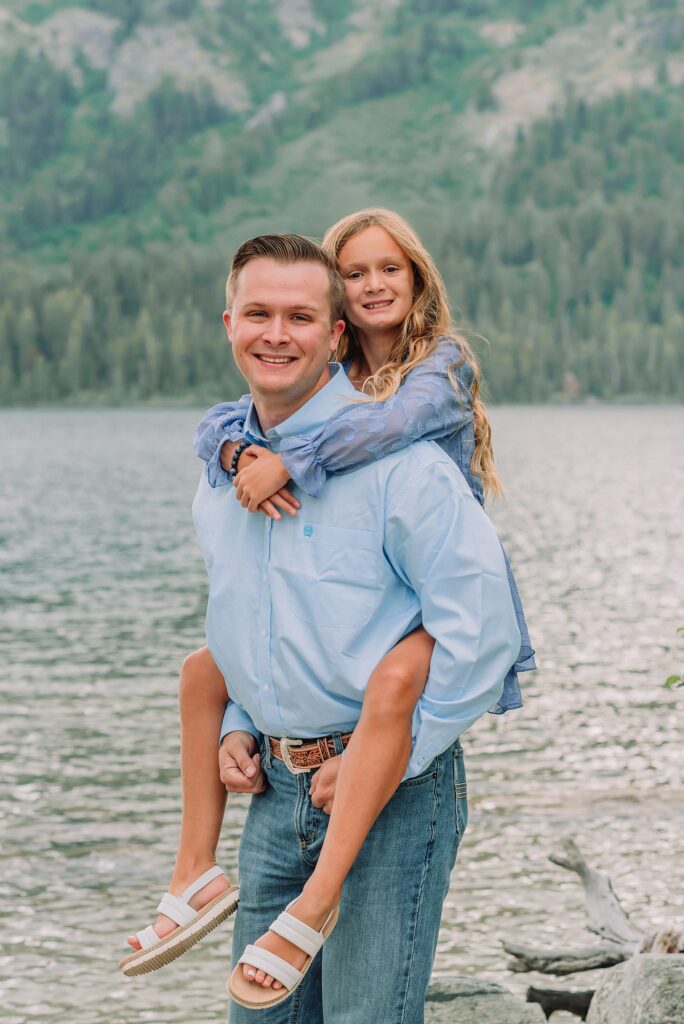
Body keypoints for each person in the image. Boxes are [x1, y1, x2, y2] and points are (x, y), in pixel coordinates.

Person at [120, 211, 534, 1002]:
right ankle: (193, 873)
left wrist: (394, 759)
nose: (277, 335)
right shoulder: (224, 473)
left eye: (300, 318)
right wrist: (241, 721)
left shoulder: (402, 461)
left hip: (395, 791)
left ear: (336, 334)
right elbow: (261, 623)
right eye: (259, 315)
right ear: (229, 324)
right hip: (276, 795)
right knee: (258, 1020)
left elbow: (481, 634)